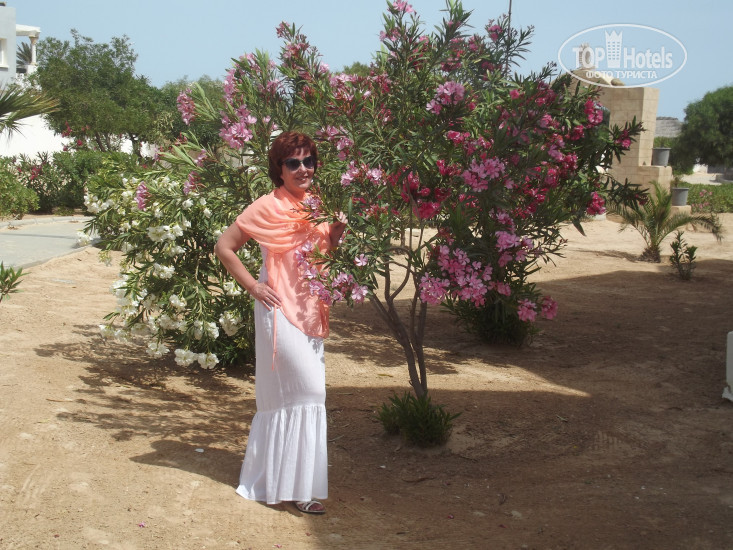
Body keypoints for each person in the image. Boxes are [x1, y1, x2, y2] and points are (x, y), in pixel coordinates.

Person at [214, 131, 346, 515]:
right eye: (293, 162)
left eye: (308, 161)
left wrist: (335, 235)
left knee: (305, 396)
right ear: (279, 168)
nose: (303, 169)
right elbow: (225, 246)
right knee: (306, 393)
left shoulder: (317, 204)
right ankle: (276, 481)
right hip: (278, 308)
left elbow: (321, 254)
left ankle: (298, 488)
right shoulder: (267, 205)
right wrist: (253, 286)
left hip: (310, 310)